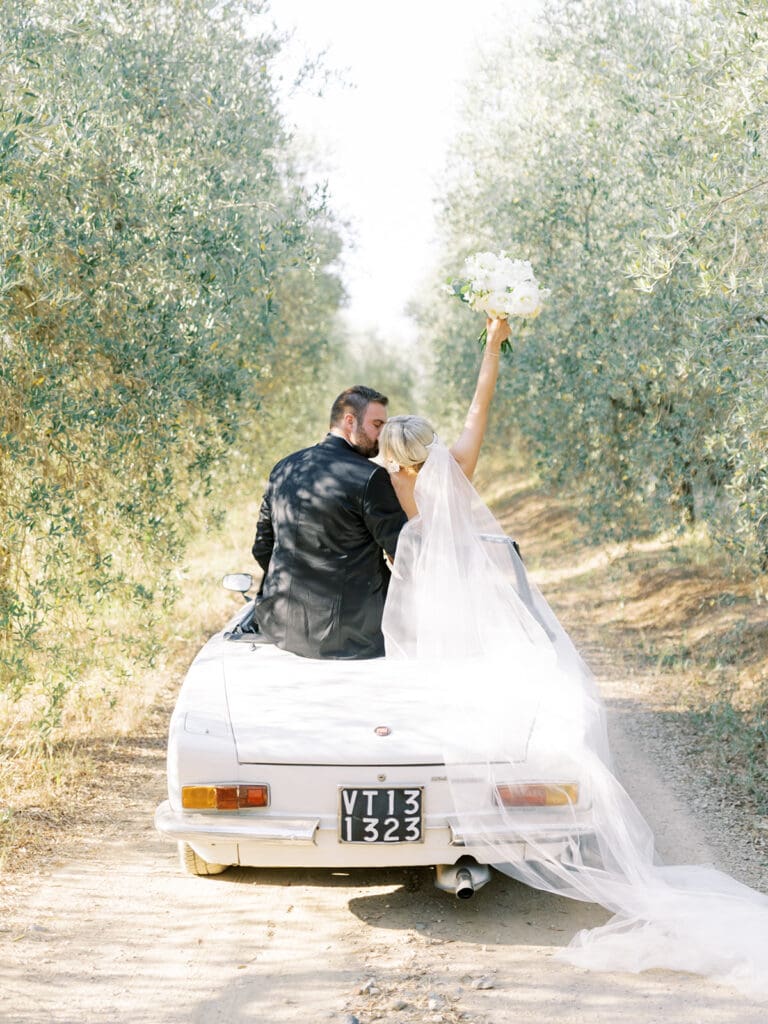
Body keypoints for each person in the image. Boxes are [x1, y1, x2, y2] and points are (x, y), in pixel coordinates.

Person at [377, 319, 768, 998]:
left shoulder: (399, 487)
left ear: (391, 455)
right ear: (434, 447)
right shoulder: (456, 467)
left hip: (430, 609)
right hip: (475, 605)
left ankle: (450, 826)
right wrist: (493, 342)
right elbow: (479, 405)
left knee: (442, 707)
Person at [252, 385, 407, 660]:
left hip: (280, 628)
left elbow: (263, 547)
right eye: (376, 424)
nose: (382, 435)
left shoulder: (284, 467)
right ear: (350, 421)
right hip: (352, 639)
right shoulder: (371, 477)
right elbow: (405, 554)